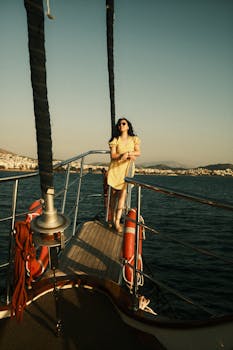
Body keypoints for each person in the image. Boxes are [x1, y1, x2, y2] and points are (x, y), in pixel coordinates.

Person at [107, 118, 141, 232]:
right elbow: (112, 155)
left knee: (123, 195)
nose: (121, 125)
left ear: (128, 126)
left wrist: (129, 154)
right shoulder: (115, 140)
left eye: (123, 123)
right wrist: (122, 155)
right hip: (116, 169)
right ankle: (111, 219)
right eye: (119, 124)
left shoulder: (134, 139)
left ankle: (117, 221)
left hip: (127, 170)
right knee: (113, 196)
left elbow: (138, 152)